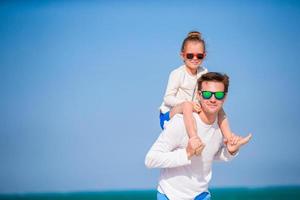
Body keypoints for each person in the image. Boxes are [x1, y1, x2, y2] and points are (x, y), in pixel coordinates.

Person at [146, 72, 252, 200]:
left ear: (224, 98)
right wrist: (186, 153)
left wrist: (230, 152)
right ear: (198, 95)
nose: (213, 99)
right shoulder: (180, 123)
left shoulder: (220, 128)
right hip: (170, 195)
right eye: (207, 94)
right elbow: (151, 159)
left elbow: (210, 155)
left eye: (218, 95)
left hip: (200, 195)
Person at [159, 31, 234, 156]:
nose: (194, 59)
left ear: (204, 56)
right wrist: (187, 104)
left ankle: (229, 138)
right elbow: (168, 98)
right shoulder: (177, 74)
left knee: (218, 106)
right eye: (190, 55)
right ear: (182, 55)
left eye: (199, 56)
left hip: (194, 108)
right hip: (169, 114)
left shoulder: (204, 72)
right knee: (187, 105)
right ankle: (194, 138)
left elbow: (205, 92)